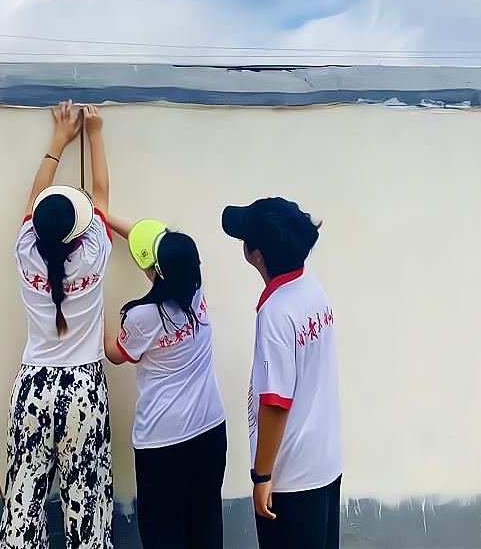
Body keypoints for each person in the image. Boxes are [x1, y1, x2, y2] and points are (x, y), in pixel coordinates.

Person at [0, 101, 113, 548]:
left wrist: (58, 139)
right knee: (87, 499)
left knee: (23, 500)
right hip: (84, 387)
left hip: (32, 387)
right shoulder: (95, 252)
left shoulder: (25, 250)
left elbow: (35, 197)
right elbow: (101, 196)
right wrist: (95, 134)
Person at [221, 198, 343, 549]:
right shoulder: (311, 288)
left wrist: (261, 476)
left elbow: (276, 403)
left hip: (291, 479)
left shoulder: (275, 312)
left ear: (257, 256)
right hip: (324, 462)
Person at [103, 219, 227, 549]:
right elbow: (160, 248)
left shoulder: (143, 317)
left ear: (156, 272)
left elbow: (115, 353)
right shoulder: (196, 292)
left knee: (163, 534)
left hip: (162, 443)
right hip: (210, 431)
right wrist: (106, 217)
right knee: (206, 525)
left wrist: (96, 310)